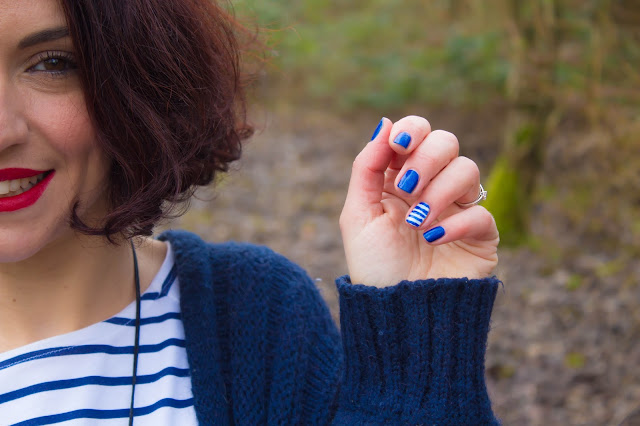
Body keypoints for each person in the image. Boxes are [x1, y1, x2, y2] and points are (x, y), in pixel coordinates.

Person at [0, 0, 501, 425]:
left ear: (134, 80)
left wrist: (414, 338)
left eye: (50, 63)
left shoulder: (257, 315)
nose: (3, 130)